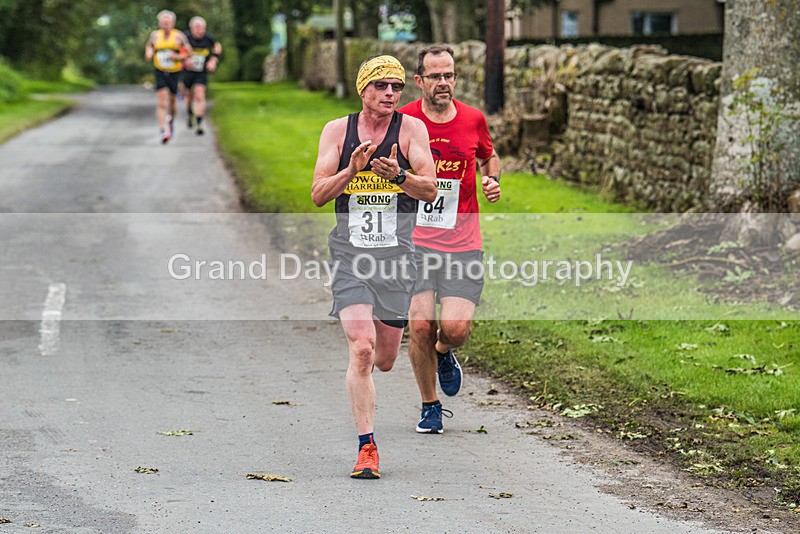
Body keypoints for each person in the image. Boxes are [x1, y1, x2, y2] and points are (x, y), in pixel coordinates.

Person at [312, 55, 437, 478]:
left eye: (397, 87)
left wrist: (398, 176)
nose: (390, 94)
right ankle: (367, 448)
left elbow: (430, 189)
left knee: (384, 358)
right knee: (361, 348)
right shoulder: (337, 131)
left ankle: (434, 355)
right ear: (363, 89)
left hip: (397, 260)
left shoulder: (411, 130)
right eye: (381, 86)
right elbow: (317, 194)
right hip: (351, 258)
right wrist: (352, 170)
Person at [398, 45, 502, 434]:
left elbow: (490, 157)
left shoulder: (473, 119)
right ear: (419, 80)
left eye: (449, 75)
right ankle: (430, 406)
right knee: (421, 325)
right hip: (415, 243)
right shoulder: (404, 120)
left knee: (455, 330)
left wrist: (492, 179)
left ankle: (444, 354)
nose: (444, 83)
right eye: (435, 76)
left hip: (462, 242)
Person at [144, 10, 192, 144]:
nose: (165, 24)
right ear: (159, 23)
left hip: (175, 72)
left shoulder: (179, 36)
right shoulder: (155, 35)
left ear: (172, 23)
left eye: (168, 22)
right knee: (162, 100)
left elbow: (189, 52)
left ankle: (170, 121)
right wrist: (149, 52)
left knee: (172, 102)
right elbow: (149, 46)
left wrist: (177, 57)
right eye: (163, 22)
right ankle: (162, 130)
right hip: (160, 70)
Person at [182, 16, 222, 135]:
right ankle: (190, 113)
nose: (200, 30)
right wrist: (185, 60)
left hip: (201, 72)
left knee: (200, 94)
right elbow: (177, 49)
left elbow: (217, 47)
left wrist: (213, 60)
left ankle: (199, 122)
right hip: (187, 72)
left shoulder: (208, 38)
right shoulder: (185, 38)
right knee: (189, 96)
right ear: (191, 28)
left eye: (202, 28)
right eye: (197, 28)